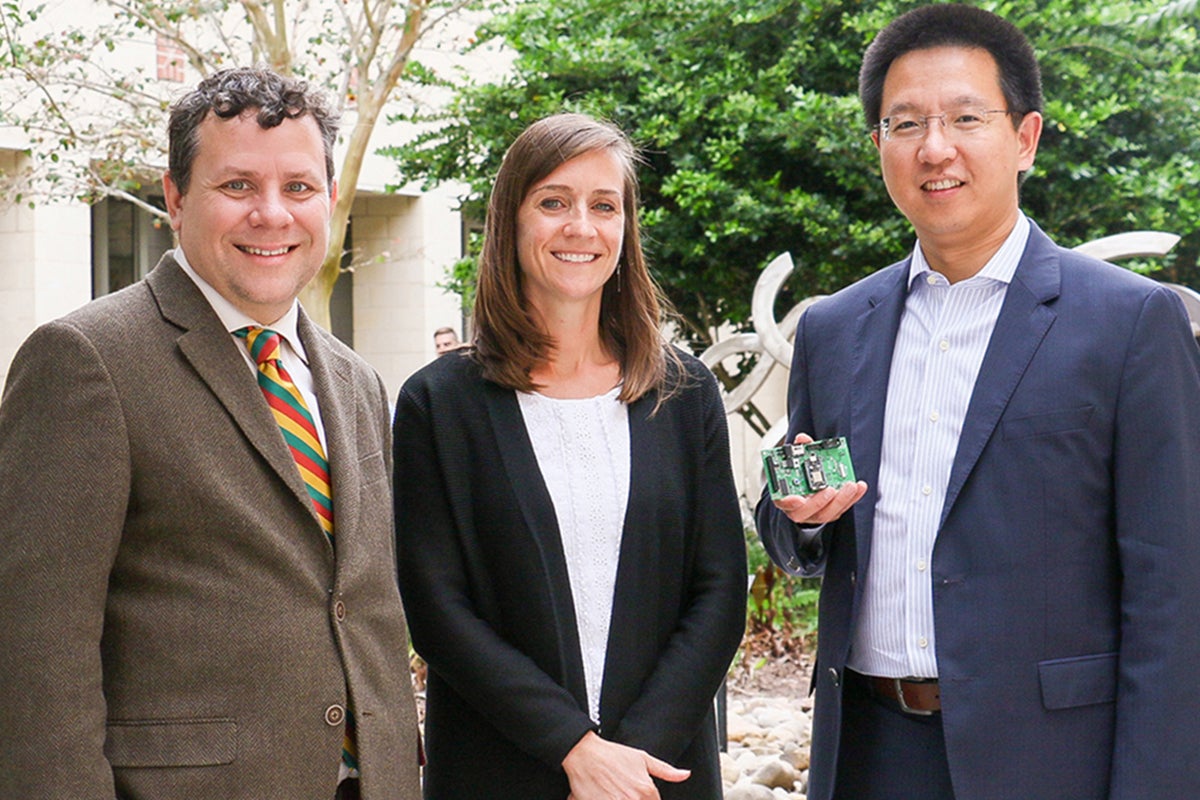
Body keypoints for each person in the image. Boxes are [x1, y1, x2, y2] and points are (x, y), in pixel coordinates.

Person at [755, 6, 1200, 800]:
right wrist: (800, 517)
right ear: (878, 146)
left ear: (1024, 138)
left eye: (965, 117)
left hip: (1054, 757)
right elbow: (788, 513)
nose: (936, 148)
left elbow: (1175, 590)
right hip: (869, 749)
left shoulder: (1130, 322)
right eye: (906, 123)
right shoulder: (832, 328)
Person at [0, 67, 420, 799]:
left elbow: (359, 604)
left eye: (298, 187)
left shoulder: (356, 382)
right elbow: (35, 653)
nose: (272, 214)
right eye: (237, 187)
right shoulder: (84, 360)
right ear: (174, 197)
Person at [393, 112, 747, 799]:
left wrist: (630, 757)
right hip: (500, 770)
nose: (580, 226)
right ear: (511, 222)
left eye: (603, 205)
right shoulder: (439, 404)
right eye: (553, 202)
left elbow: (718, 592)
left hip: (657, 775)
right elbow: (437, 608)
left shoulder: (684, 392)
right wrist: (574, 748)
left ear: (625, 228)